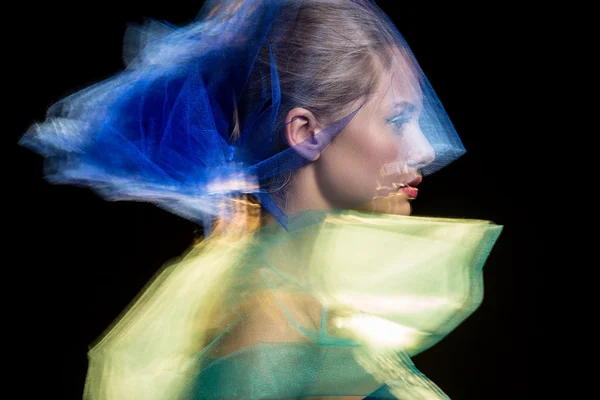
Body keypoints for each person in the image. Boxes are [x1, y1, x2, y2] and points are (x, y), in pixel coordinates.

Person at [20, 0, 502, 399]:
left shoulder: (312, 302)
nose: (423, 150)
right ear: (304, 132)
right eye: (397, 120)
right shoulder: (269, 324)